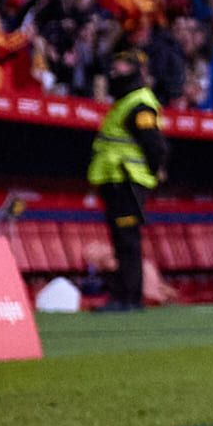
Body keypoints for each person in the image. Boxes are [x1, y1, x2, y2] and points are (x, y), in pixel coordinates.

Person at [86, 54, 164, 311]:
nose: (115, 69)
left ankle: (128, 298)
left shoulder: (139, 104)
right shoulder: (125, 101)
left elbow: (155, 145)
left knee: (127, 240)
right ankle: (124, 296)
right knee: (122, 240)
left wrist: (151, 173)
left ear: (135, 69)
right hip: (117, 180)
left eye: (122, 64)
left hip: (127, 181)